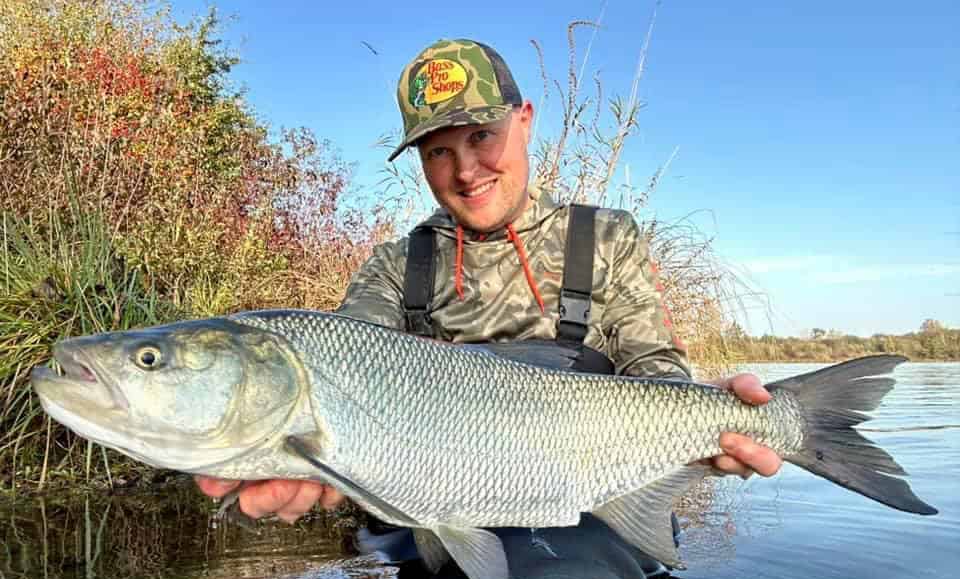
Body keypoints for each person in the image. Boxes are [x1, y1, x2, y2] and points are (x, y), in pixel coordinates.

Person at [195, 37, 781, 522]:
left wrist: (715, 418)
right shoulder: (396, 266)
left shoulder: (606, 237)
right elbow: (343, 372)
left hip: (598, 500)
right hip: (439, 510)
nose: (465, 170)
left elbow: (654, 367)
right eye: (437, 152)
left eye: (480, 137)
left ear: (524, 121)